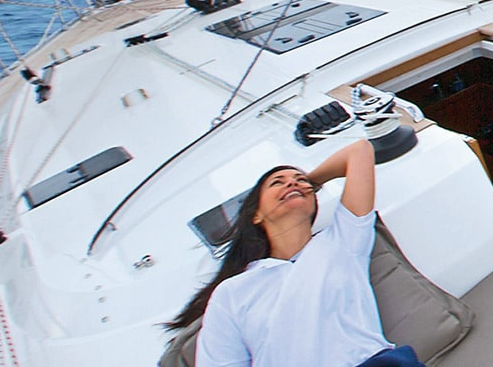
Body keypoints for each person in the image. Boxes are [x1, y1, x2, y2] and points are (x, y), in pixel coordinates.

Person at [172, 139, 421, 367]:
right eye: (277, 182)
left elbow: (359, 151)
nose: (292, 182)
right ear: (256, 215)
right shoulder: (231, 293)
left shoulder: (343, 240)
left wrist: (307, 184)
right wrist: (298, 188)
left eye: (299, 180)